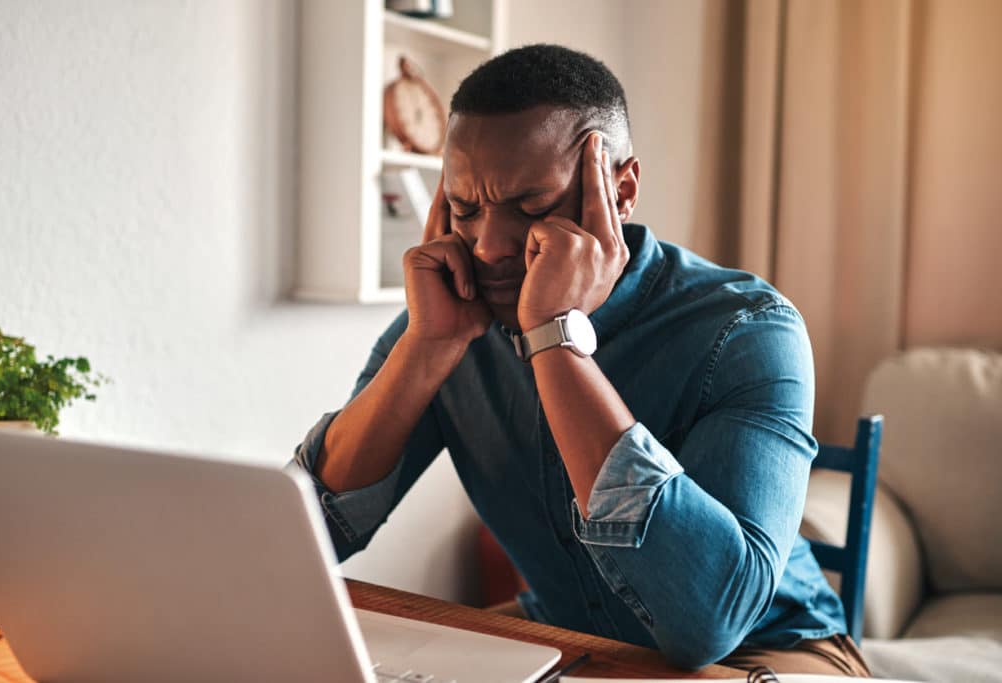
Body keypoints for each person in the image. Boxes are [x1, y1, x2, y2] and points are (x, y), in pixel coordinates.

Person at [290, 44, 871, 676]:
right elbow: (302, 545)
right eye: (465, 208)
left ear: (620, 192)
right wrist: (426, 351)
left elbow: (709, 623)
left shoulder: (749, 328)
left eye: (532, 208)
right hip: (565, 631)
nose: (488, 247)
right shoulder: (445, 325)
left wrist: (555, 341)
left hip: (770, 649)